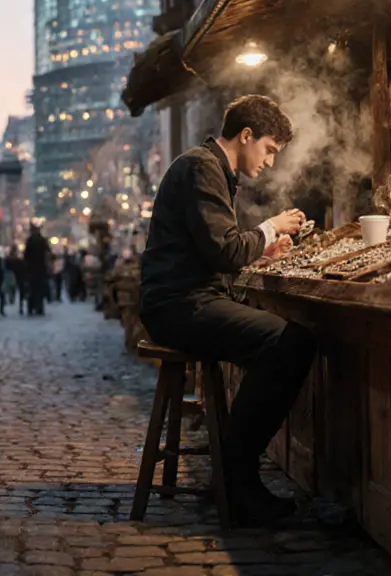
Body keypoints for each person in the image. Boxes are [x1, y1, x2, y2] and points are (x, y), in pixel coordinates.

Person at [139, 94, 316, 526]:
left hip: (184, 299)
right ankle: (238, 479)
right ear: (247, 135)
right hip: (178, 305)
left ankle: (236, 471)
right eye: (270, 150)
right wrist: (270, 226)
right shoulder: (202, 167)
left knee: (289, 340)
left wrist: (260, 254)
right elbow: (223, 248)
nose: (270, 162)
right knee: (287, 342)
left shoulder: (209, 167)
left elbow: (220, 251)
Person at [24, 225, 50, 316]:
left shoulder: (29, 240)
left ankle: (31, 308)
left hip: (31, 270)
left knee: (32, 290)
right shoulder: (42, 240)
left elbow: (26, 256)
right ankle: (39, 308)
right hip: (40, 270)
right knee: (40, 290)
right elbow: (48, 252)